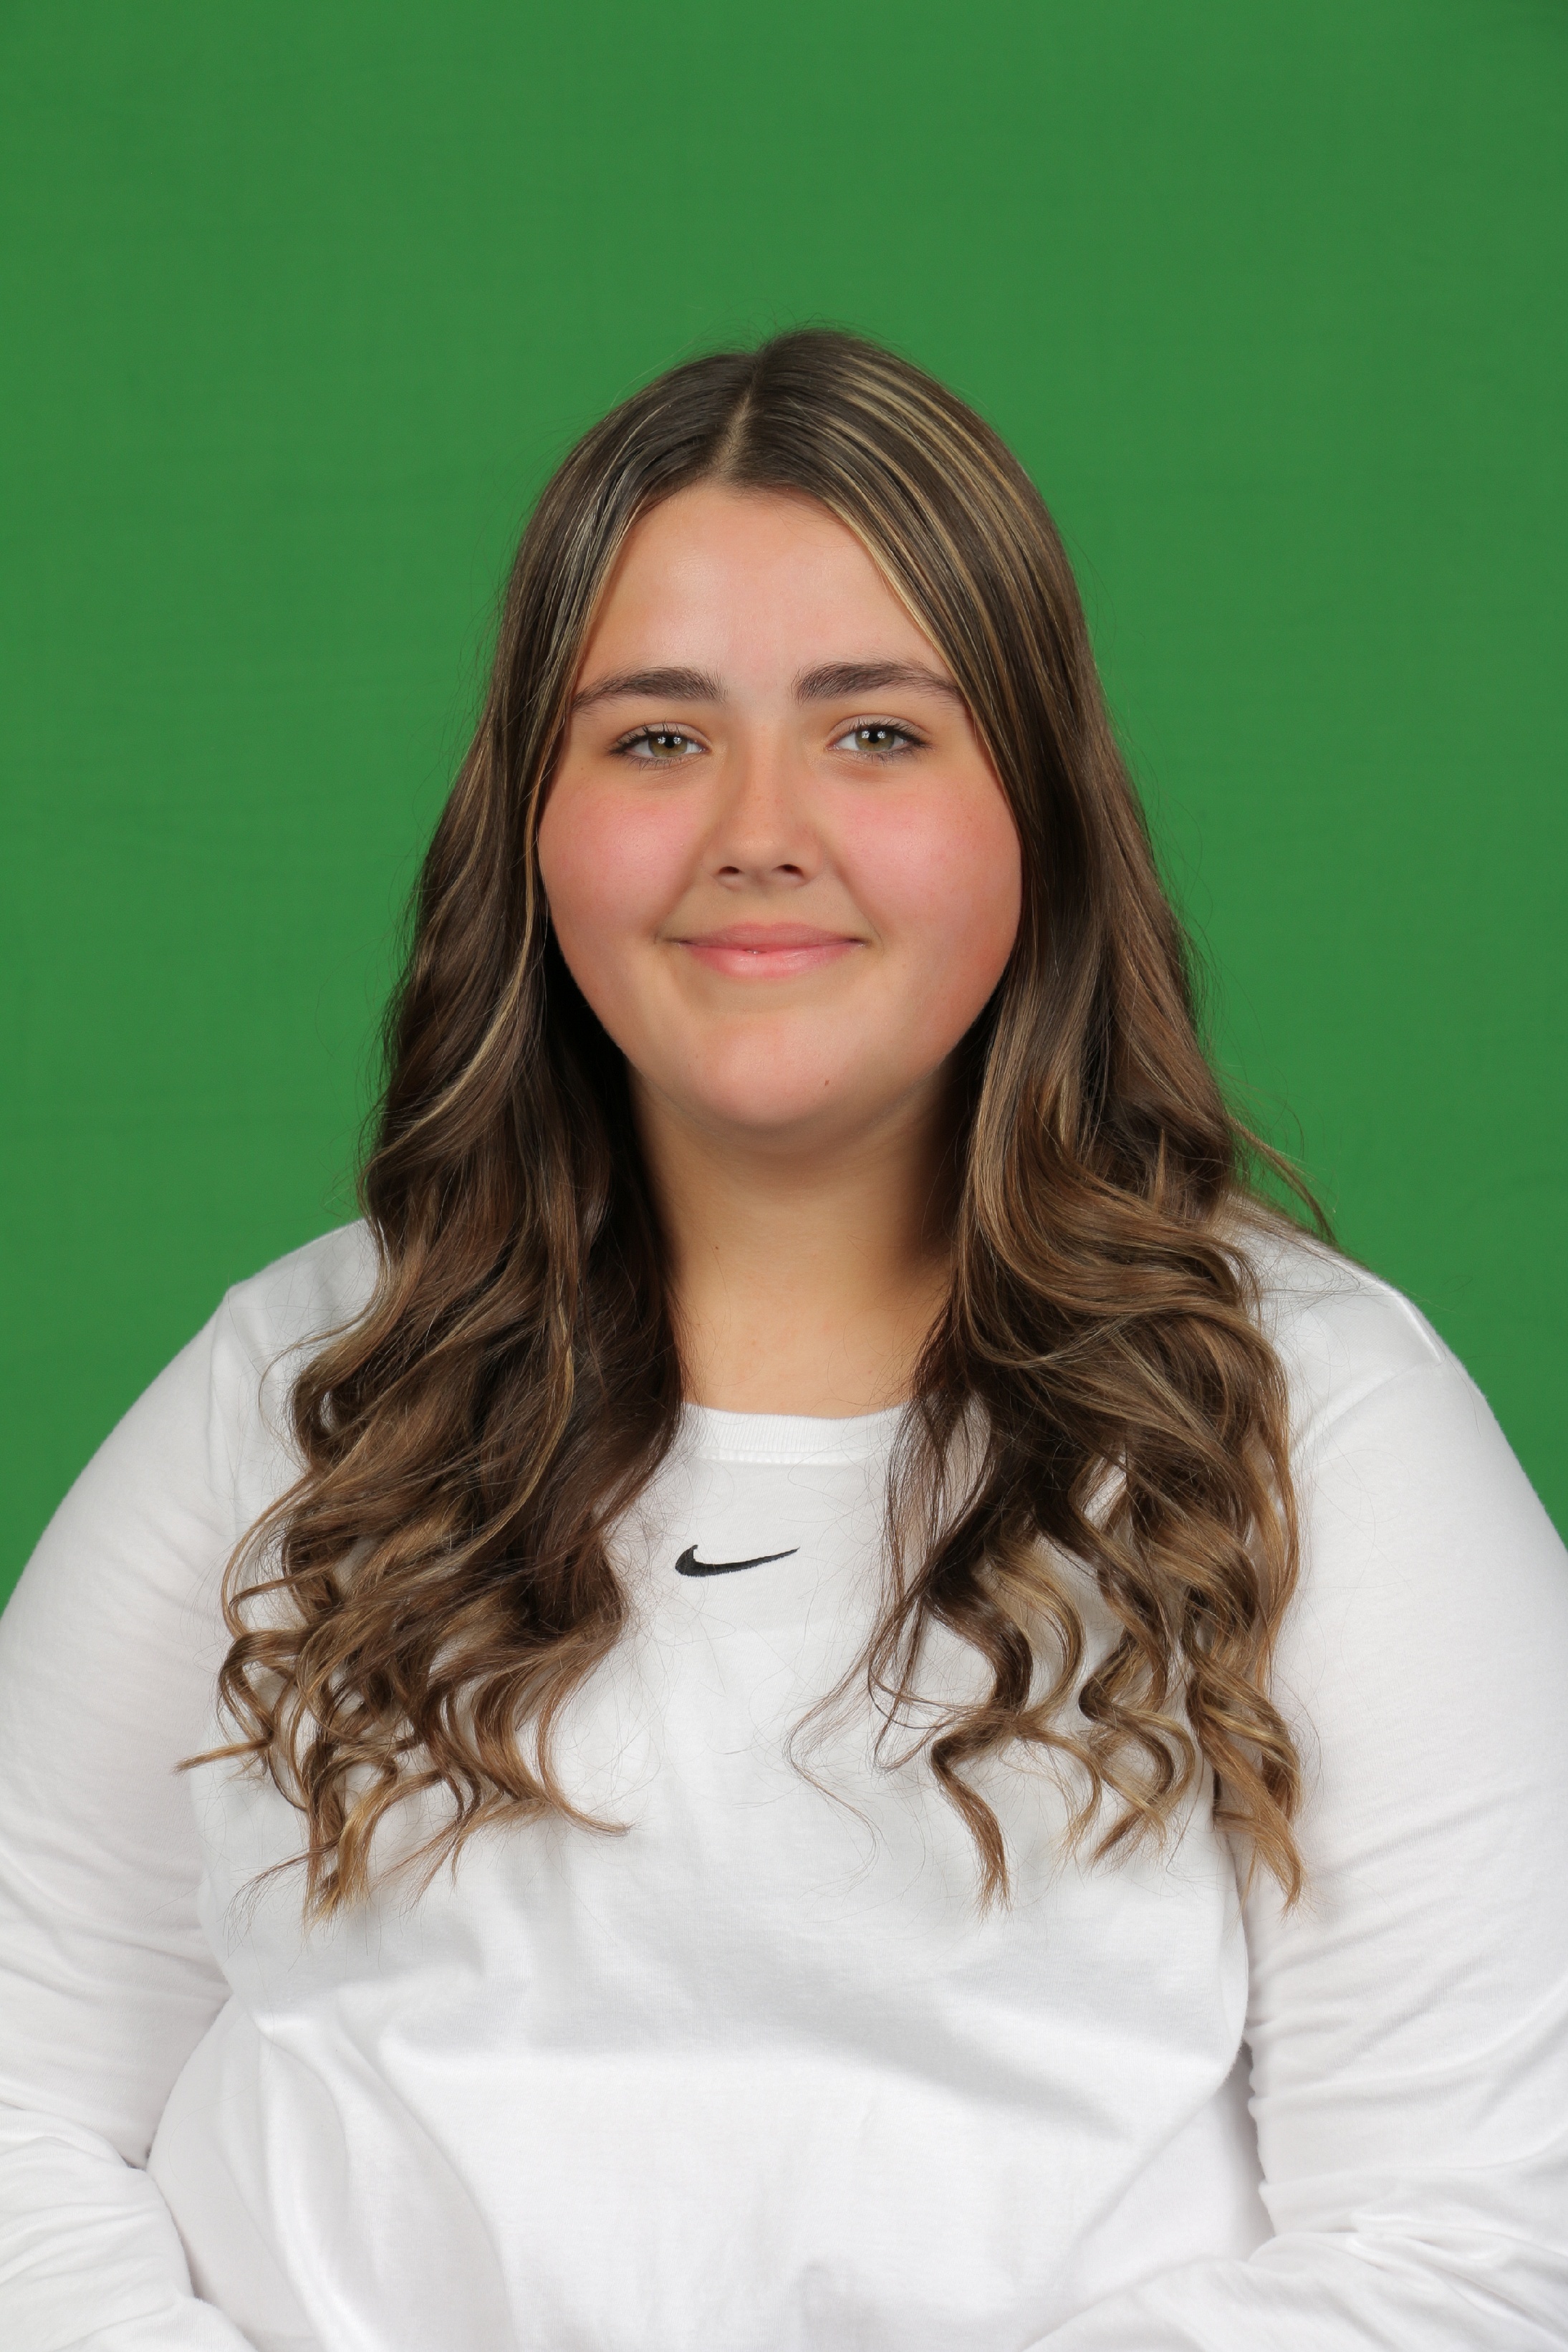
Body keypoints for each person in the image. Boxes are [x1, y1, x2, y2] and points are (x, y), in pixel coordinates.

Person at [1, 329, 1564, 2352]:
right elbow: (22, 2091)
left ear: (1038, 814)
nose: (759, 827)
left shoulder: (1310, 1425)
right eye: (657, 736)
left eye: (877, 732)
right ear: (531, 822)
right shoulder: (300, 1387)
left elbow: (1478, 2240)